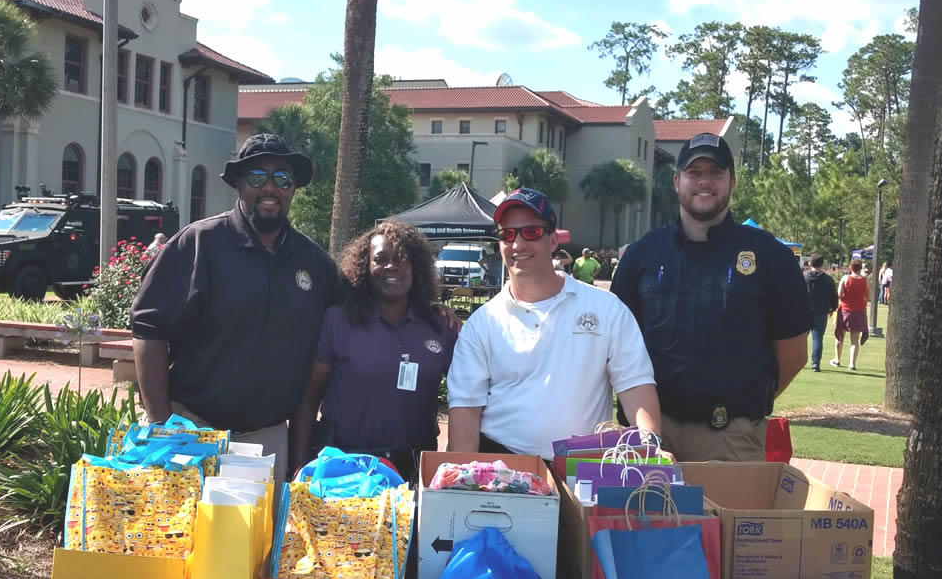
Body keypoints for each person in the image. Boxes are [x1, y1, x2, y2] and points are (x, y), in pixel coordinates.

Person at [130, 134, 340, 482]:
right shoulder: (198, 243)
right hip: (192, 428)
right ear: (239, 184)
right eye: (257, 177)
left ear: (292, 189)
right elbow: (148, 332)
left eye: (282, 179)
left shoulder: (314, 264)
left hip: (267, 435)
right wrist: (162, 427)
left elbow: (356, 313)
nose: (270, 188)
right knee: (181, 534)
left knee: (259, 536)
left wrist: (431, 312)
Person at [611, 132, 810, 462]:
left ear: (732, 181)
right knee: (637, 516)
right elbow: (616, 349)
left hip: (730, 437)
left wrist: (745, 403)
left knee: (732, 517)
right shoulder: (641, 256)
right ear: (677, 181)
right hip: (648, 436)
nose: (704, 182)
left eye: (715, 172)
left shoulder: (770, 257)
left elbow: (793, 355)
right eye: (694, 172)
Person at [446, 188, 661, 459]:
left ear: (553, 240)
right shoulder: (481, 324)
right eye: (507, 234)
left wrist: (652, 450)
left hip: (583, 470)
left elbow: (636, 387)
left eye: (532, 232)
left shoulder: (607, 309)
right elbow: (465, 411)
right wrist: (462, 482)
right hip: (502, 471)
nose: (518, 244)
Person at [290, 221, 458, 482]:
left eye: (402, 258)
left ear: (416, 267)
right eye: (380, 259)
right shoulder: (338, 321)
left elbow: (467, 401)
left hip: (413, 470)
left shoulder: (440, 327)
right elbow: (309, 398)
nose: (392, 266)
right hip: (344, 468)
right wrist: (299, 468)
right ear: (365, 267)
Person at [831, 259, 869, 370]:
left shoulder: (845, 278)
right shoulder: (865, 280)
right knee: (854, 340)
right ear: (860, 268)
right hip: (859, 312)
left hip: (845, 310)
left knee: (839, 337)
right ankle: (852, 363)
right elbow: (869, 297)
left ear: (851, 267)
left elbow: (839, 295)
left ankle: (837, 359)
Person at [804, 255, 838, 372]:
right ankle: (815, 364)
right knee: (818, 338)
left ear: (810, 263)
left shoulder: (804, 277)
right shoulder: (828, 279)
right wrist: (833, 308)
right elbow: (833, 295)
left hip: (805, 311)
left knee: (802, 338)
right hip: (821, 311)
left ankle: (800, 360)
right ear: (822, 264)